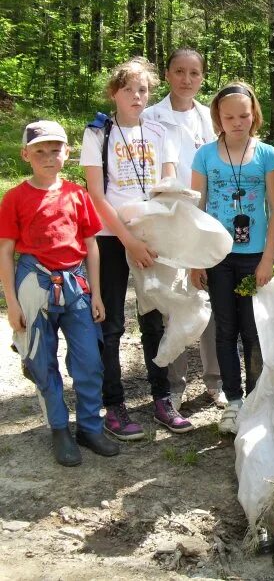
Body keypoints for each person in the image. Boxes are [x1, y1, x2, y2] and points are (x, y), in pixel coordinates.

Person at [81, 57, 193, 439]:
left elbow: (166, 181)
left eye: (143, 89)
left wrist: (153, 231)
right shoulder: (98, 133)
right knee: (111, 323)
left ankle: (161, 399)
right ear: (114, 93)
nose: (136, 96)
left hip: (152, 235)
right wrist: (129, 240)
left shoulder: (161, 132)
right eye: (128, 89)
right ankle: (113, 406)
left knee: (156, 317)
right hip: (112, 237)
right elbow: (96, 195)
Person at [0, 121, 120, 466]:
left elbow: (90, 246)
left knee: (89, 359)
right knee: (41, 359)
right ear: (26, 155)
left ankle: (89, 426)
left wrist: (96, 294)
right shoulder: (15, 198)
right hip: (34, 283)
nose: (48, 157)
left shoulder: (76, 195)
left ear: (67, 154)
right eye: (39, 151)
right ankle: (58, 428)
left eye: (56, 150)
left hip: (76, 284)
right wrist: (12, 302)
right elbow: (6, 250)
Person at [190, 82, 274, 434]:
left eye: (243, 115)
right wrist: (195, 259)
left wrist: (267, 259)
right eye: (228, 116)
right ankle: (233, 401)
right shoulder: (204, 155)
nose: (237, 122)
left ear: (254, 114)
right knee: (225, 329)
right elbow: (196, 209)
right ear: (218, 118)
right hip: (217, 257)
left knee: (253, 330)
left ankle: (257, 398)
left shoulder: (267, 155)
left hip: (252, 256)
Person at [143, 48, 225, 410]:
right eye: (179, 71)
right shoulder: (149, 117)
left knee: (209, 300)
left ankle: (215, 381)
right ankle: (175, 384)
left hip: (204, 218)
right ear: (167, 74)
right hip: (165, 222)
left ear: (202, 78)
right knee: (172, 301)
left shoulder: (211, 118)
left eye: (194, 73)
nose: (186, 79)